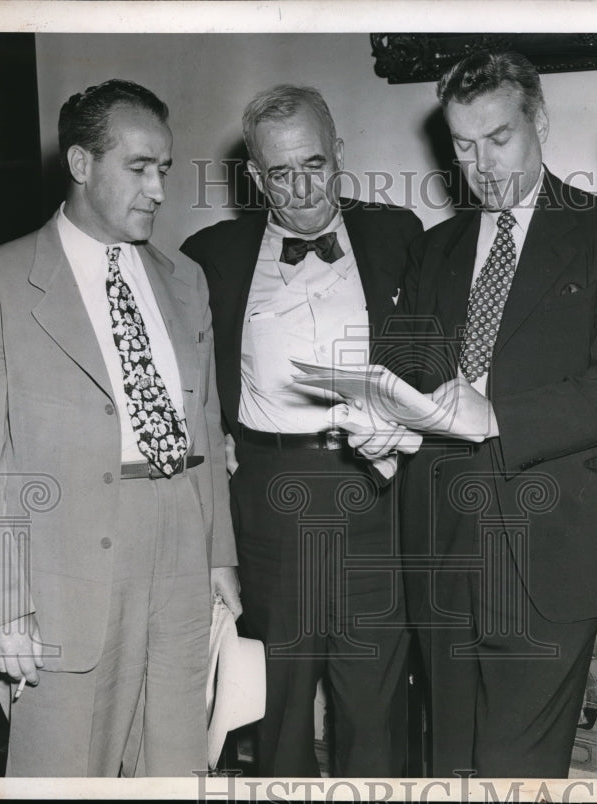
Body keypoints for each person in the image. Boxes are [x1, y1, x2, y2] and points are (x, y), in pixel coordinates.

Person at [0, 78, 241, 777]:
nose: (159, 189)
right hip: (64, 563)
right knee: (63, 767)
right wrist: (4, 607)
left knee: (177, 760)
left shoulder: (185, 280)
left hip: (179, 543)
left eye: (163, 168)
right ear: (82, 165)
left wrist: (219, 557)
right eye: (138, 168)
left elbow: (205, 422)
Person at [380, 51, 597, 778]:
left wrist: (497, 416)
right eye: (462, 146)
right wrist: (380, 417)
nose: (480, 165)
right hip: (440, 549)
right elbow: (409, 379)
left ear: (538, 122)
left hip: (549, 557)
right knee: (449, 768)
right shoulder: (431, 251)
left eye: (498, 139)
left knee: (514, 771)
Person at [180, 84, 423, 777]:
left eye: (313, 164)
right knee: (277, 702)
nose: (302, 187)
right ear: (256, 177)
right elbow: (187, 377)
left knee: (375, 702)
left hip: (375, 493)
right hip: (269, 495)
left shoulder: (397, 234)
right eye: (281, 173)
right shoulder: (211, 255)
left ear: (338, 152)